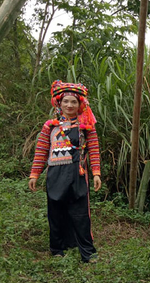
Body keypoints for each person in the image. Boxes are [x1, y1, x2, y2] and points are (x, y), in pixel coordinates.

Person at [29, 80, 101, 263]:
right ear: (59, 103)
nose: (69, 105)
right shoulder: (50, 126)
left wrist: (96, 173)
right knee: (56, 212)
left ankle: (88, 252)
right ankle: (57, 249)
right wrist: (34, 174)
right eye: (66, 101)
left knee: (81, 214)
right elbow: (41, 151)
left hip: (78, 175)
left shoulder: (86, 126)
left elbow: (94, 149)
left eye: (74, 102)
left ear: (80, 105)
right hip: (55, 174)